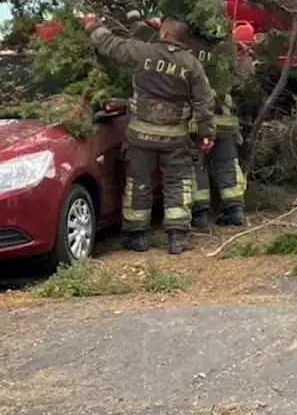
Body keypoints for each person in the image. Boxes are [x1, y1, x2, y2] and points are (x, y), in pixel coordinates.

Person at [86, 15, 215, 255]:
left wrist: (92, 24)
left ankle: (137, 236)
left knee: (139, 184)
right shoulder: (191, 64)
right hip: (175, 139)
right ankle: (177, 237)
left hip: (141, 137)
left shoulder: (143, 53)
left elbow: (110, 45)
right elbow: (205, 102)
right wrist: (206, 134)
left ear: (164, 33)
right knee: (178, 183)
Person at [186, 30, 247, 228]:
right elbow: (241, 81)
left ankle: (200, 214)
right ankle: (235, 209)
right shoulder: (225, 49)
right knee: (227, 164)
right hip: (226, 119)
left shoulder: (187, 50)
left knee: (197, 166)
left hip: (199, 122)